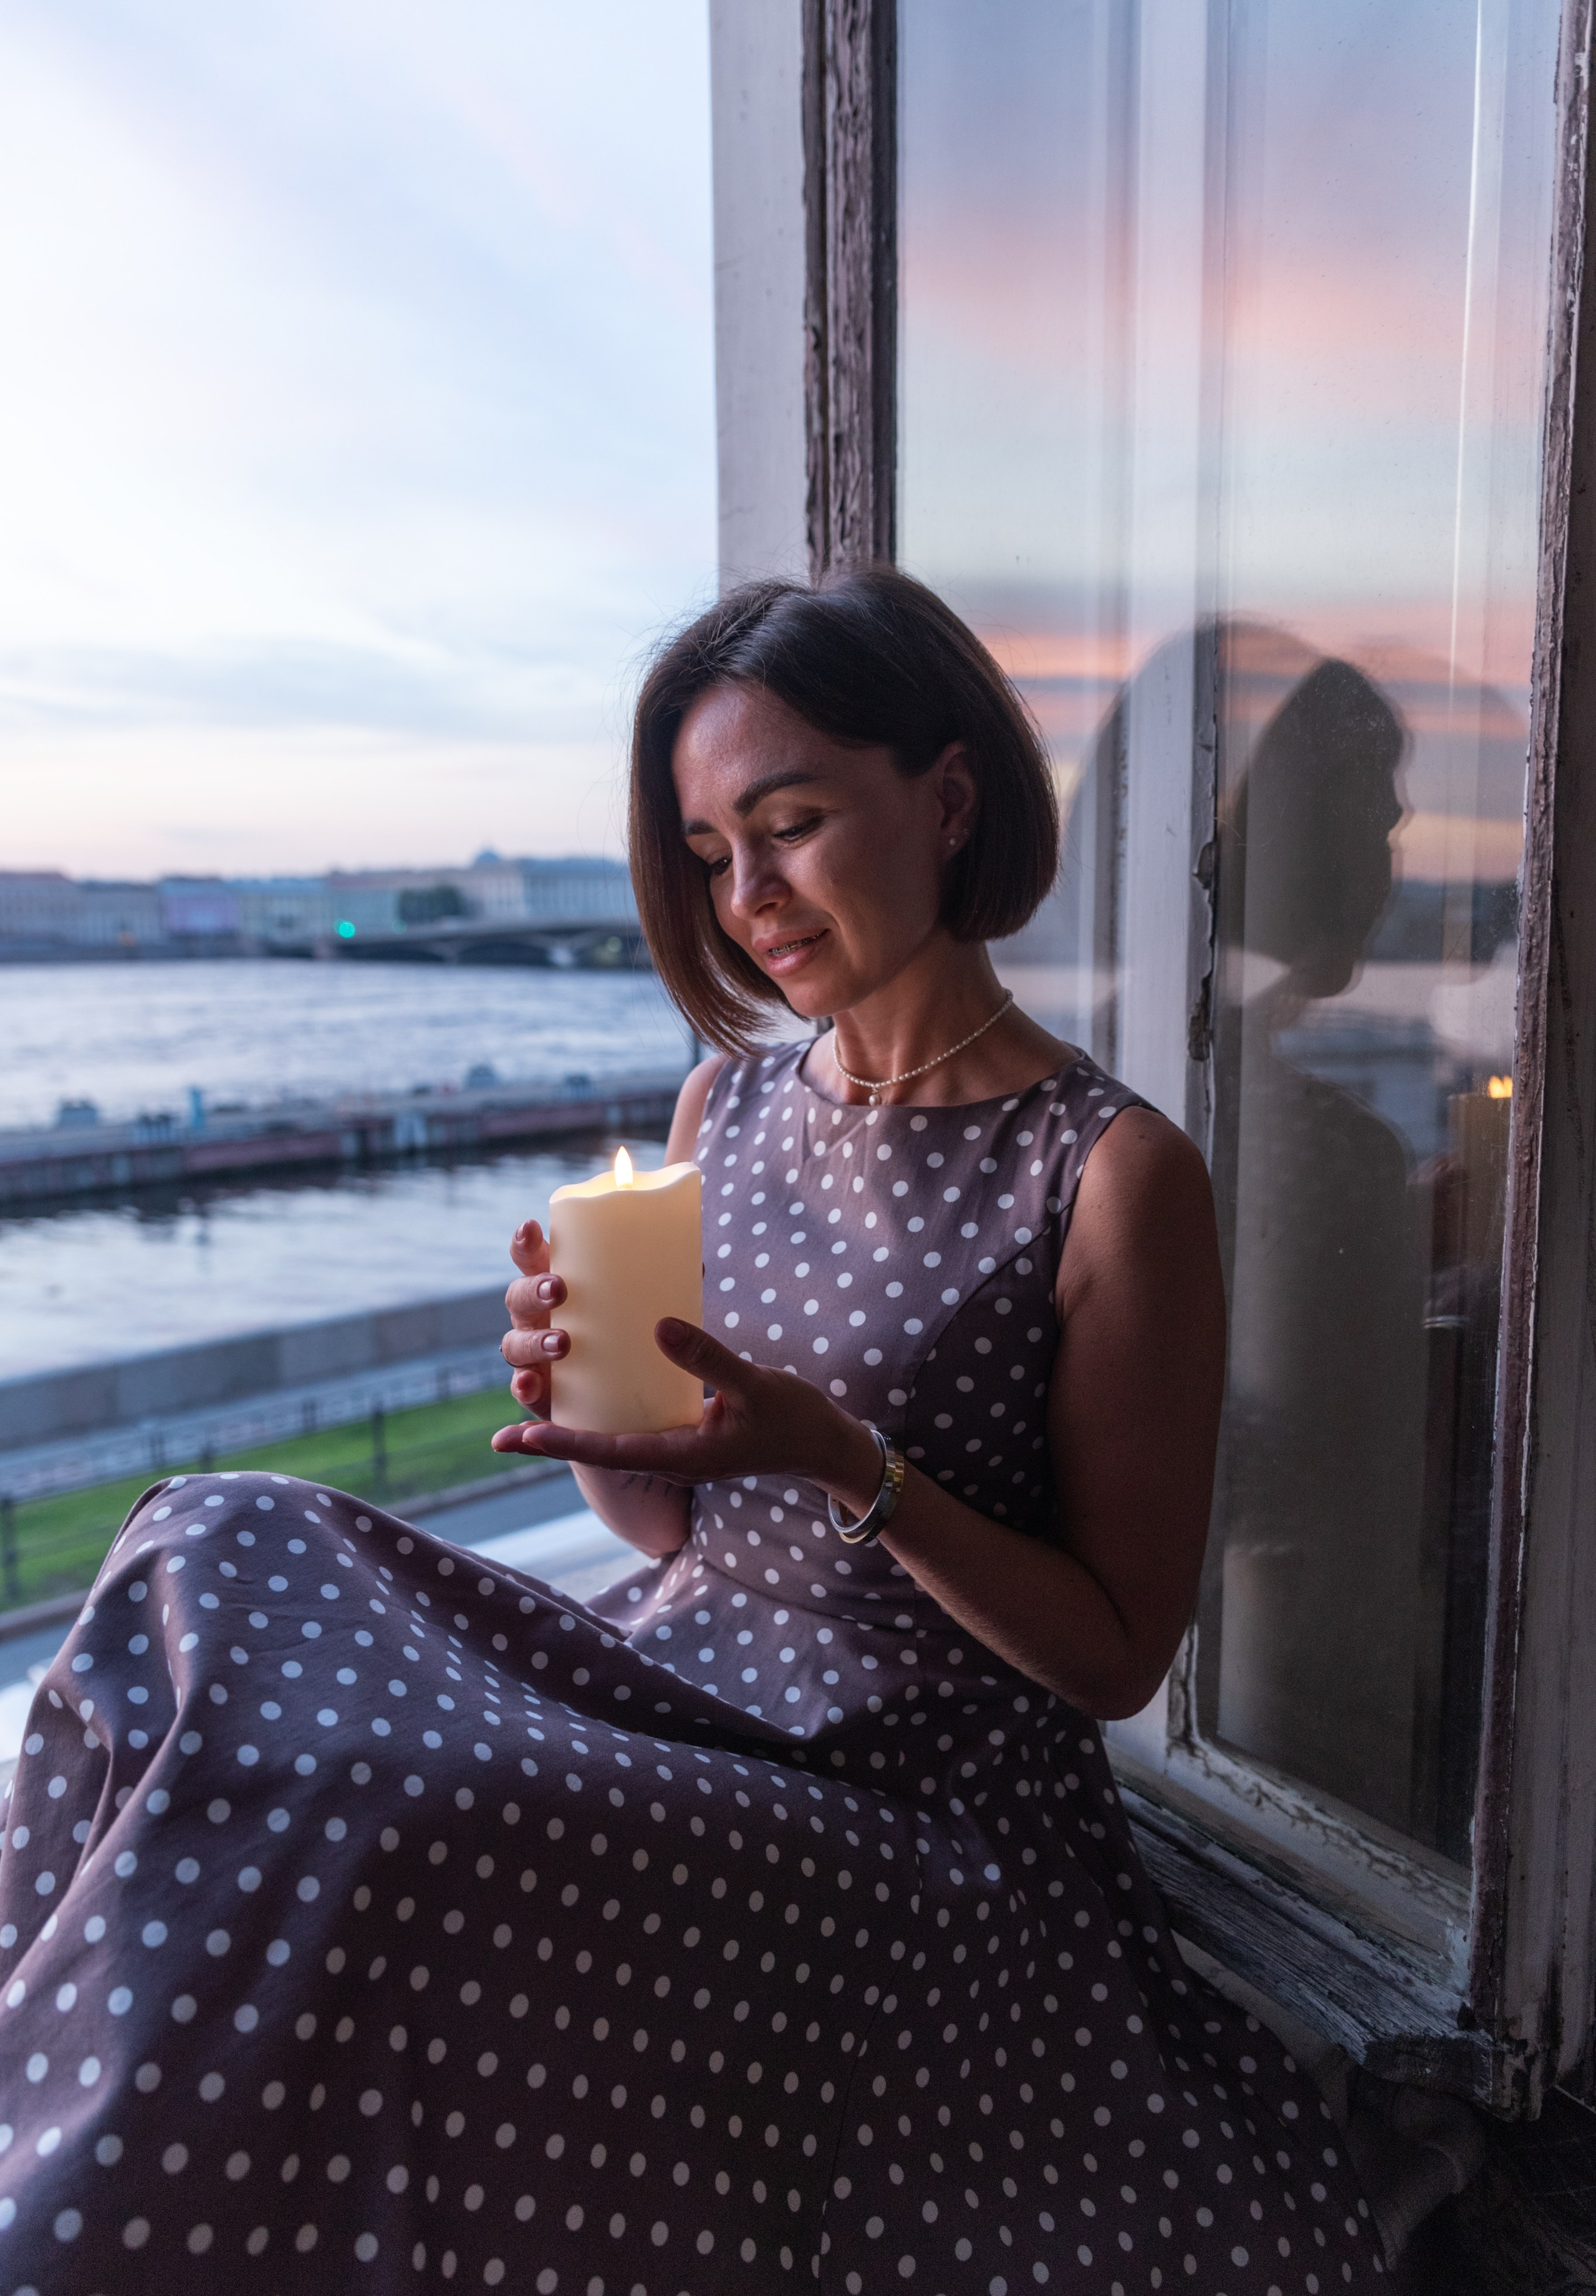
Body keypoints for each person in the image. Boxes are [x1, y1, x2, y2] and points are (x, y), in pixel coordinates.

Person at [0, 567, 1383, 2291]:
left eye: (791, 826)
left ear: (947, 799)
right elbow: (666, 1534)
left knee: (359, 1810)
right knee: (208, 1548)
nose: (752, 898)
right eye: (715, 851)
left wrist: (843, 1462)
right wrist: (594, 1403)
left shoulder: (1109, 1173)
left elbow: (1113, 1656)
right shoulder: (724, 1102)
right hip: (673, 1688)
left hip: (909, 1802)